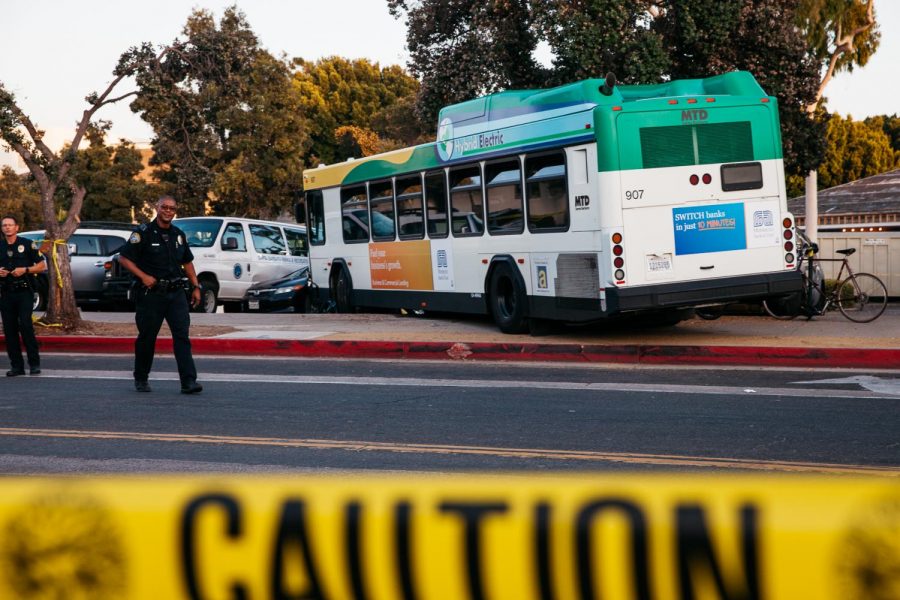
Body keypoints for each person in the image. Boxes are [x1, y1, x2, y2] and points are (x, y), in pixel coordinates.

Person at [118, 197, 203, 394]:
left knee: (182, 336)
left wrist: (196, 286)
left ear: (175, 211)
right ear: (157, 208)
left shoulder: (178, 234)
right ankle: (141, 378)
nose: (168, 211)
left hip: (176, 294)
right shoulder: (143, 233)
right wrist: (144, 276)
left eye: (172, 208)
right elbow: (124, 258)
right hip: (151, 294)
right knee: (147, 337)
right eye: (164, 207)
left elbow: (187, 262)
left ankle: (188, 382)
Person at [0, 215, 47, 376]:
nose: (7, 227)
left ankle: (34, 363)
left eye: (10, 225)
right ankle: (16, 366)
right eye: (4, 225)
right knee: (9, 329)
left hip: (24, 292)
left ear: (17, 227)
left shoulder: (28, 245)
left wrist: (25, 270)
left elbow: (41, 266)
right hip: (6, 292)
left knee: (25, 325)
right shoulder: (0, 246)